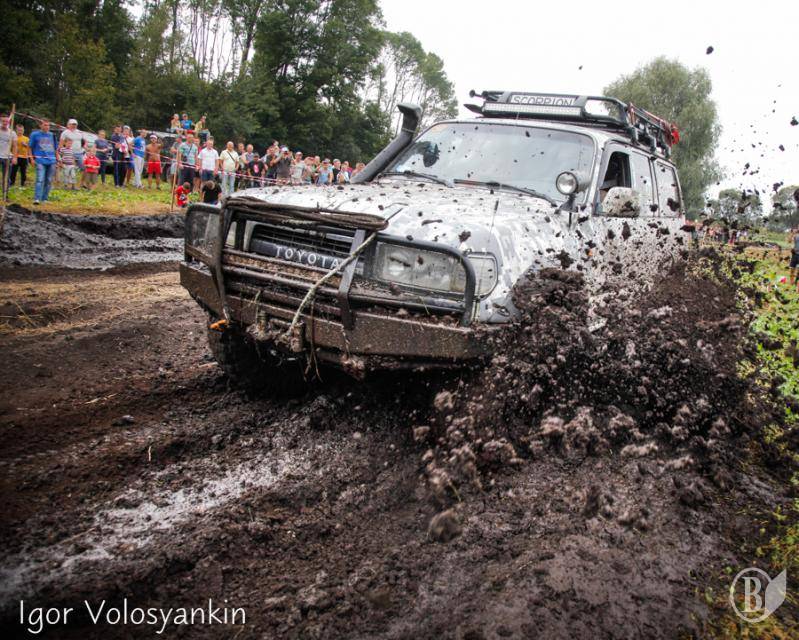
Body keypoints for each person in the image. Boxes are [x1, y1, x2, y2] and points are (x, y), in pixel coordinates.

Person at [29, 120, 58, 204]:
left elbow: (55, 148)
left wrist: (57, 159)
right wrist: (31, 159)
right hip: (40, 160)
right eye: (45, 125)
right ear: (40, 126)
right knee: (40, 179)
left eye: (48, 125)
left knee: (48, 180)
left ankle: (45, 199)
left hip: (51, 160)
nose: (47, 127)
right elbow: (30, 147)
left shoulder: (52, 135)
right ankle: (37, 198)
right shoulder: (34, 134)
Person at [0, 114, 17, 198]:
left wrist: (14, 157)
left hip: (7, 157)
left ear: (9, 122)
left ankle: (5, 195)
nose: (5, 123)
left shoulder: (12, 133)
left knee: (6, 177)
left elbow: (14, 146)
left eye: (6, 121)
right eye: (3, 121)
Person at [9, 123, 29, 187]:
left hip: (24, 157)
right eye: (19, 130)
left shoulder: (26, 138)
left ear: (23, 130)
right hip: (15, 157)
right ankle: (12, 184)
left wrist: (25, 145)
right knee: (13, 171)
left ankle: (23, 184)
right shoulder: (14, 137)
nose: (20, 132)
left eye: (22, 130)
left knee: (23, 172)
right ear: (16, 130)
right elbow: (10, 147)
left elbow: (30, 148)